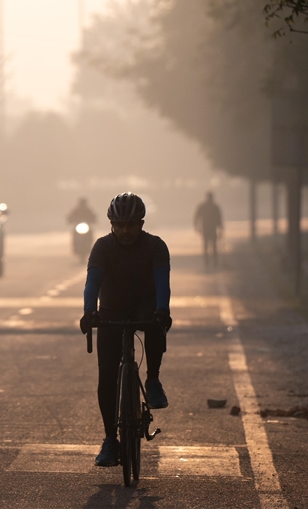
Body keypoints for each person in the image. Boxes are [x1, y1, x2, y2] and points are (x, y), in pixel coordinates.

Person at [79, 192, 172, 467]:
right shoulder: (102, 247)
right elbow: (92, 282)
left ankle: (153, 379)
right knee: (107, 375)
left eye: (130, 225)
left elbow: (162, 282)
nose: (124, 231)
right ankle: (111, 440)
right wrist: (88, 311)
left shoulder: (156, 247)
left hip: (145, 306)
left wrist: (163, 310)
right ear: (110, 224)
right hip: (112, 309)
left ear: (141, 224)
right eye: (118, 225)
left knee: (153, 322)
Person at [194, 192, 224, 271]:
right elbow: (219, 219)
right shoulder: (215, 207)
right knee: (213, 246)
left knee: (207, 246)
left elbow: (196, 217)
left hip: (206, 228)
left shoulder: (203, 206)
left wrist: (196, 226)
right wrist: (221, 229)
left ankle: (207, 262)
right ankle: (214, 262)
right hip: (211, 228)